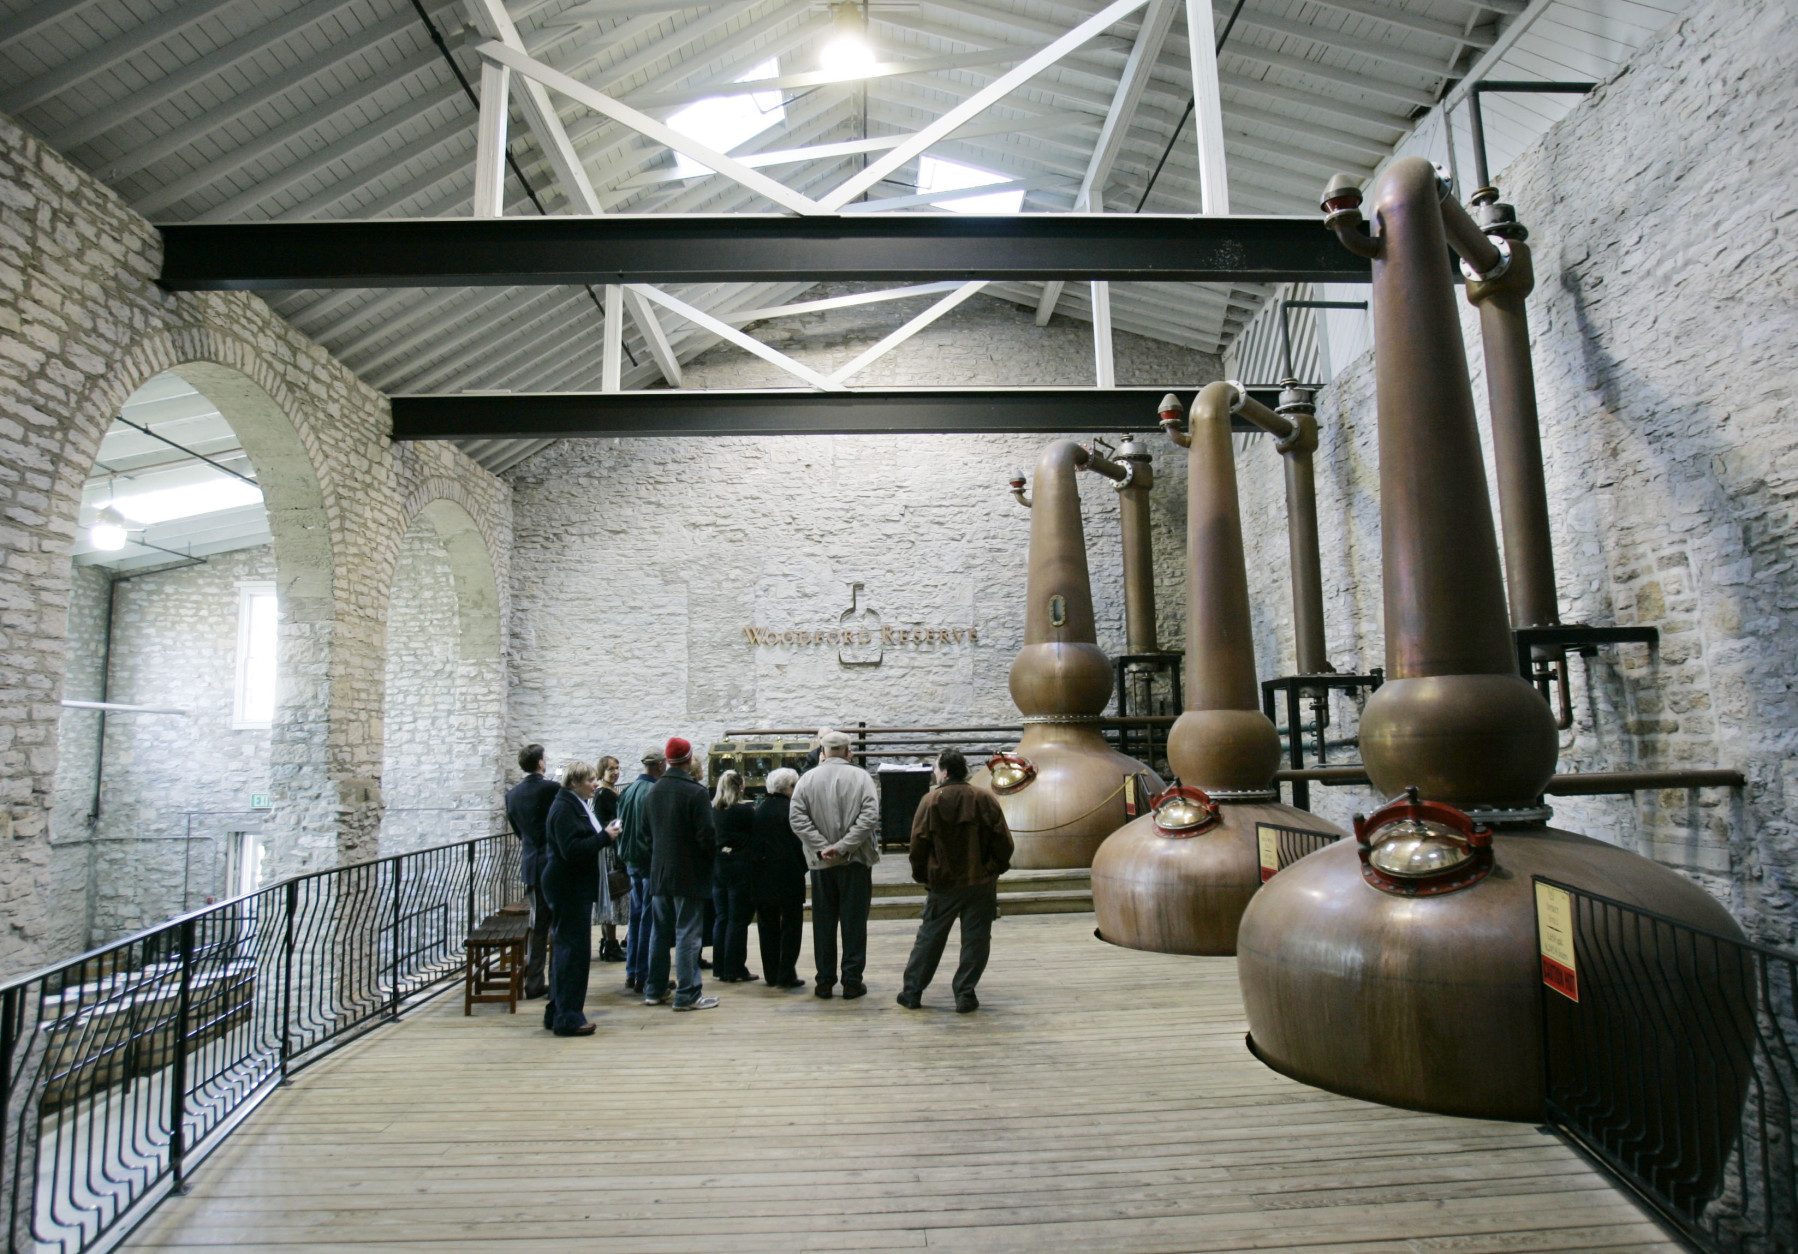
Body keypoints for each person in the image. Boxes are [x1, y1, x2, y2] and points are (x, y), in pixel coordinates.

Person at [896, 748, 1014, 1014]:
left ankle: (912, 992)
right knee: (976, 941)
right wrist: (993, 869)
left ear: (945, 772)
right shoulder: (984, 798)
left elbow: (918, 846)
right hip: (980, 883)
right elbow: (1004, 842)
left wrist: (924, 876)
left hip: (944, 884)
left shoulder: (931, 801)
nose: (935, 773)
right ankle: (965, 994)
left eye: (936, 769)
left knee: (929, 939)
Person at [789, 729, 880, 999]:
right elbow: (870, 816)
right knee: (854, 924)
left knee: (823, 923)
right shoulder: (862, 777)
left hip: (821, 864)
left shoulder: (807, 779)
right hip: (855, 860)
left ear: (823, 751)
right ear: (848, 751)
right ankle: (852, 982)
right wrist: (843, 847)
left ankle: (824, 981)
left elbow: (797, 818)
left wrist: (822, 847)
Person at [541, 761, 619, 1036]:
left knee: (568, 950)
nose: (595, 784)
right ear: (574, 783)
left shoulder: (572, 804)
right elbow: (571, 849)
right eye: (590, 780)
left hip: (571, 885)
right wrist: (605, 837)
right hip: (568, 887)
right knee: (572, 954)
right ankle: (568, 1018)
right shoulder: (564, 807)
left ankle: (557, 1011)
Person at [643, 737, 719, 1012]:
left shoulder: (653, 791)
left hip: (660, 872)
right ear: (688, 759)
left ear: (667, 760)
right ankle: (687, 994)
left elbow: (646, 835)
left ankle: (655, 989)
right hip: (688, 873)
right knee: (687, 933)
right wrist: (709, 860)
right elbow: (706, 836)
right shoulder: (695, 792)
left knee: (660, 933)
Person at [503, 744, 560, 1000]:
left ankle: (534, 981)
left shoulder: (512, 795)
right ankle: (557, 980)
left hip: (531, 862)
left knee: (538, 925)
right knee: (558, 924)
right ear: (540, 763)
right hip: (553, 863)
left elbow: (518, 830)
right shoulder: (552, 789)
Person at [750, 768, 807, 990]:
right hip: (788, 875)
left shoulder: (760, 809)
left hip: (762, 876)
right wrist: (803, 867)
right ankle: (786, 973)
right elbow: (799, 843)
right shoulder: (792, 809)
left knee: (767, 926)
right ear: (788, 788)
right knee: (791, 926)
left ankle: (771, 973)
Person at [615, 747, 664, 994]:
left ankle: (632, 971)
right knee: (648, 919)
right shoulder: (653, 792)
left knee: (636, 918)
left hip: (630, 859)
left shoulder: (629, 790)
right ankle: (644, 975)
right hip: (646, 861)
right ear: (660, 765)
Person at [708, 769, 757, 983]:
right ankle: (735, 968)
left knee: (722, 918)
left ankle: (719, 967)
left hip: (718, 865)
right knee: (738, 919)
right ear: (740, 787)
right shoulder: (744, 811)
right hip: (739, 866)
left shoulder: (712, 810)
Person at [594, 755, 628, 962]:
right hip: (610, 850)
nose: (615, 772)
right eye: (611, 769)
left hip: (612, 847)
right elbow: (606, 821)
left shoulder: (609, 791)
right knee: (612, 895)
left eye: (617, 768)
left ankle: (609, 942)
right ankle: (610, 944)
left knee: (613, 895)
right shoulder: (603, 793)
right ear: (602, 772)